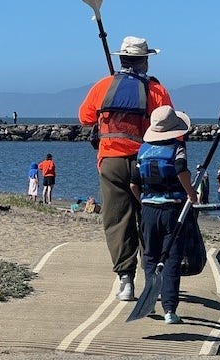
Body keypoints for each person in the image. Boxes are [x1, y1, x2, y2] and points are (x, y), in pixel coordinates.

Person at [78, 36, 173, 301]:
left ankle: (125, 279)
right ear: (144, 60)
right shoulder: (156, 90)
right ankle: (152, 274)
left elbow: (85, 117)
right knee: (149, 219)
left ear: (122, 59)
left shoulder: (103, 85)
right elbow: (167, 124)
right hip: (146, 162)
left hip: (111, 161)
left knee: (117, 220)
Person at [129, 105, 199, 324]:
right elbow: (181, 171)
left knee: (150, 255)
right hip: (173, 210)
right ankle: (169, 309)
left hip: (148, 210)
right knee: (170, 259)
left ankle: (149, 303)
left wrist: (143, 201)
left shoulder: (142, 150)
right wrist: (192, 194)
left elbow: (133, 184)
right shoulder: (177, 148)